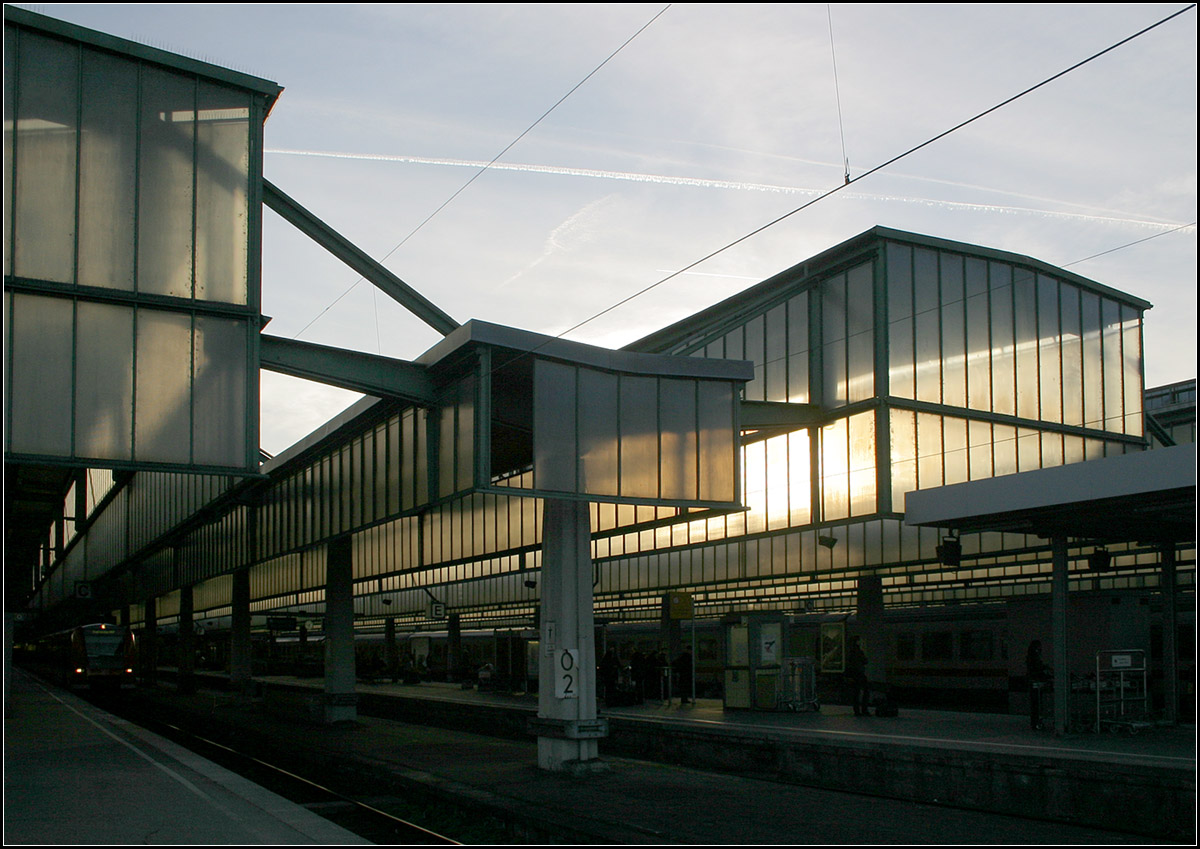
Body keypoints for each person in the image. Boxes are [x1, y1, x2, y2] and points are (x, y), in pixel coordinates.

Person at [1026, 640, 1051, 730]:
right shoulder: (1034, 658)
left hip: (1034, 682)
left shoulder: (1031, 657)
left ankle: (1035, 722)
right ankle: (1035, 723)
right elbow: (1036, 669)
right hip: (1035, 682)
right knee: (1036, 703)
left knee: (1035, 704)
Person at [846, 636, 870, 716]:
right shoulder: (858, 651)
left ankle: (857, 710)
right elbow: (865, 661)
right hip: (859, 673)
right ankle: (864, 710)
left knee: (856, 693)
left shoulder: (850, 652)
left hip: (854, 674)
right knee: (865, 691)